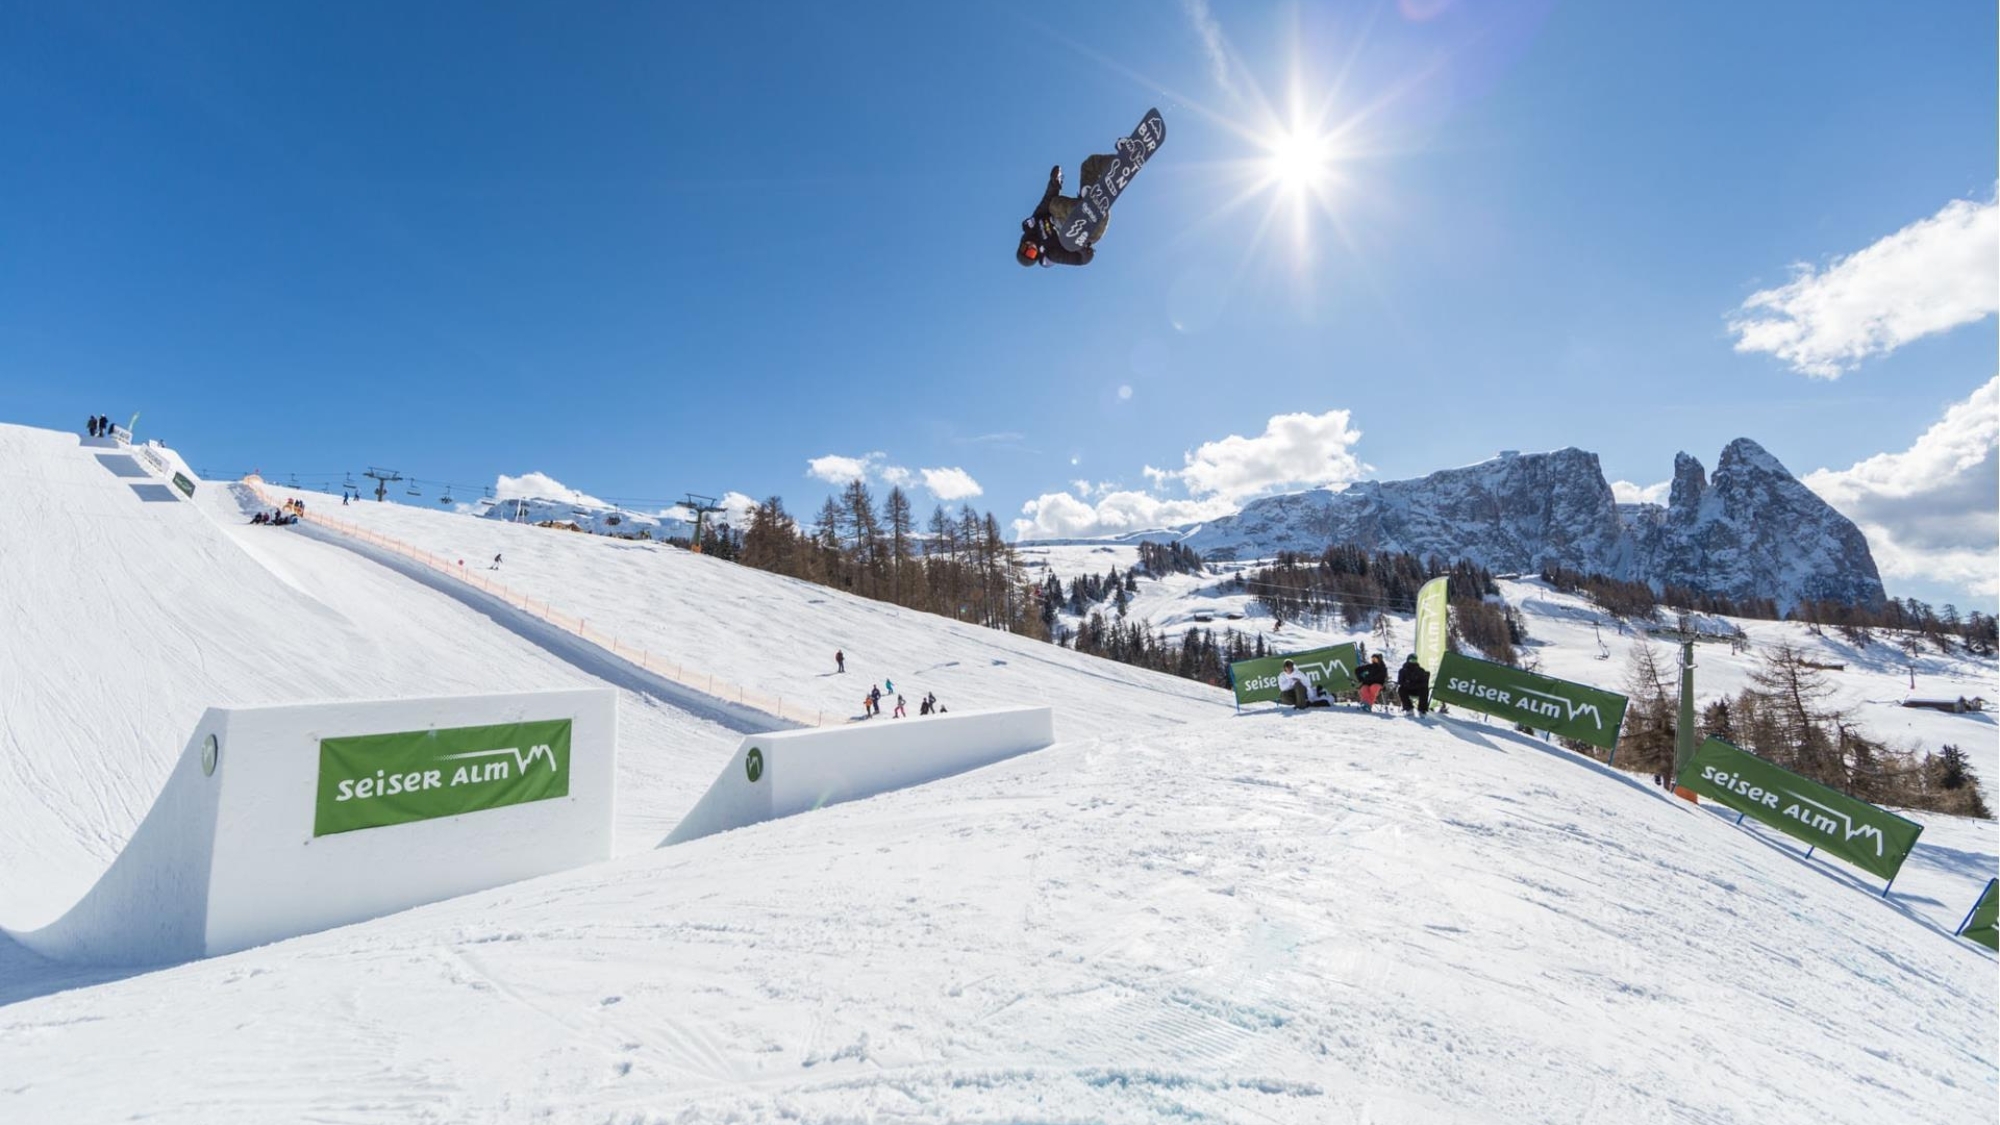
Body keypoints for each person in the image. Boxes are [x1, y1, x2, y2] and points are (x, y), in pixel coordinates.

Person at [1015, 160, 1113, 268]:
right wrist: (1083, 249)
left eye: (1025, 248)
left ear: (1022, 245)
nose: (1030, 246)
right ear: (1036, 255)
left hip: (1078, 212)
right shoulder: (1052, 254)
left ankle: (1087, 203)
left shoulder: (1036, 223)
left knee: (1087, 166)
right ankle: (1088, 212)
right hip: (1090, 231)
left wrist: (1054, 183)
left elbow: (1047, 200)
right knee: (1060, 222)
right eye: (1031, 253)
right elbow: (1081, 260)